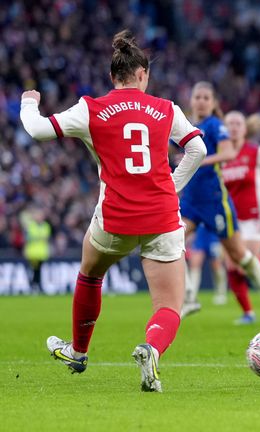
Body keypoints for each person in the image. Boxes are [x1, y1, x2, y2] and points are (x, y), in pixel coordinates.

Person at [19, 30, 207, 392]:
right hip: (163, 217)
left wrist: (29, 102)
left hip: (115, 218)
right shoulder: (167, 109)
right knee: (170, 304)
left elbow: (38, 131)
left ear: (112, 77)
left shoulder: (91, 108)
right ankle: (151, 349)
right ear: (142, 75)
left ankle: (78, 350)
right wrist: (172, 184)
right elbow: (197, 149)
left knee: (90, 274)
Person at [178, 81, 260, 329]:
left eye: (206, 97)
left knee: (241, 259)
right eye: (197, 96)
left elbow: (228, 154)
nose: (201, 101)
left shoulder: (215, 126)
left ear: (213, 103)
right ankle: (190, 297)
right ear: (191, 100)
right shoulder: (187, 127)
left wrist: (194, 161)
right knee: (169, 241)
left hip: (216, 202)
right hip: (191, 201)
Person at [220, 111, 260, 325]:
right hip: (231, 218)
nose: (234, 127)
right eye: (229, 124)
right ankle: (248, 313)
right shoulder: (220, 154)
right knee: (232, 268)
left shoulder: (256, 151)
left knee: (245, 267)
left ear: (245, 128)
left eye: (238, 123)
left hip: (255, 218)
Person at [187, 225, 227, 305]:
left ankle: (221, 293)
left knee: (216, 265)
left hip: (214, 235)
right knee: (195, 264)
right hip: (200, 235)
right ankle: (192, 296)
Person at [20, 206, 52, 294]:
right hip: (32, 253)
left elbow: (45, 237)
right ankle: (34, 286)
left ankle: (37, 286)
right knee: (33, 271)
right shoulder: (31, 226)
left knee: (38, 271)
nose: (39, 217)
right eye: (38, 215)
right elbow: (27, 238)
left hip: (41, 253)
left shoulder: (46, 226)